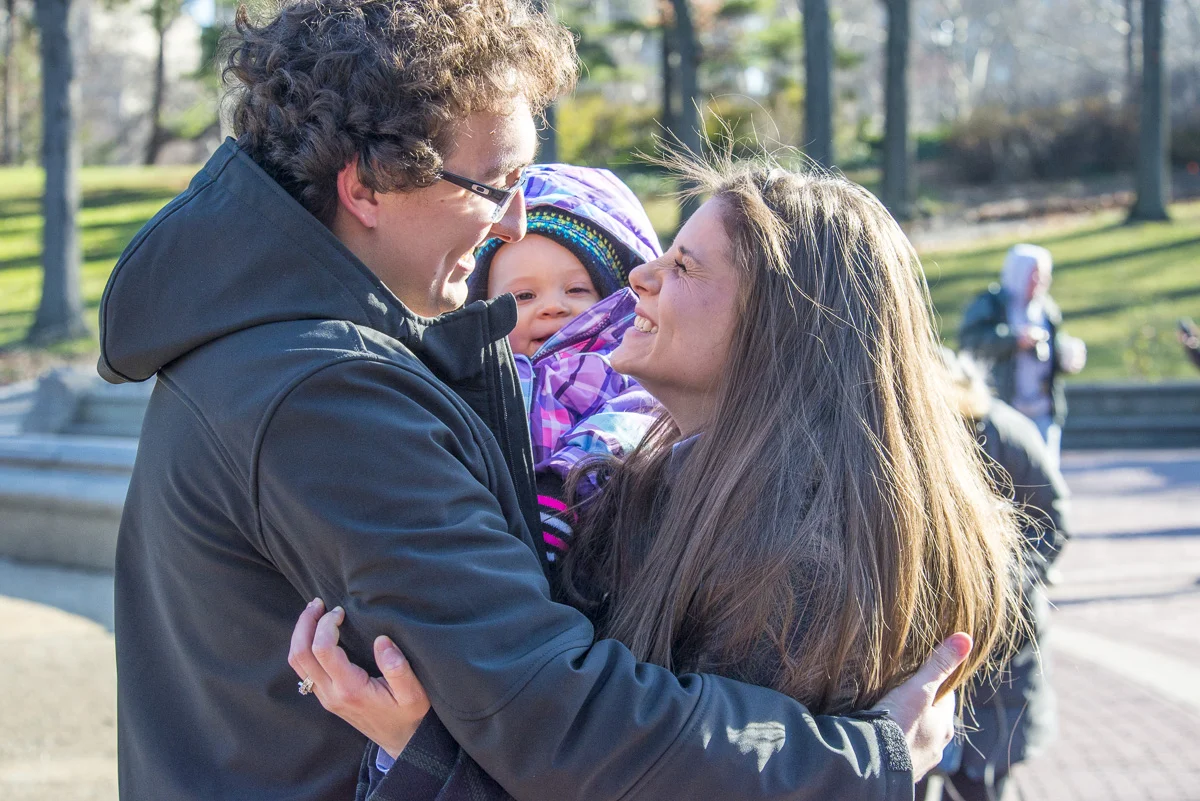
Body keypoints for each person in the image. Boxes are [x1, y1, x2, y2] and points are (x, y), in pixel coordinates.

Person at [97, 2, 964, 799]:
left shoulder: (273, 351)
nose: (516, 220)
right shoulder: (321, 393)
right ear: (365, 186)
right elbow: (556, 712)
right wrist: (865, 758)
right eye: (494, 182)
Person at [288, 160, 1025, 800]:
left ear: (781, 323)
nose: (639, 275)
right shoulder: (636, 492)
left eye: (683, 266)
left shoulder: (802, 553)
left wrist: (424, 748)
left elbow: (642, 779)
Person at [469, 164, 663, 560]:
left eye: (576, 289)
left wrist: (563, 488)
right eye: (523, 296)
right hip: (490, 544)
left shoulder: (619, 366)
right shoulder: (477, 372)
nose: (553, 307)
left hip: (591, 538)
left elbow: (634, 423)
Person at [918, 351, 1070, 801]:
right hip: (930, 633)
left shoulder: (1005, 432)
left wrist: (1001, 584)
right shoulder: (911, 433)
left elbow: (1052, 519)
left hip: (1002, 636)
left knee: (980, 782)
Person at [959, 244, 1086, 469]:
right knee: (1009, 478)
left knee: (1046, 478)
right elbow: (971, 342)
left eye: (1045, 275)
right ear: (1019, 273)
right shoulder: (992, 304)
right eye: (1035, 275)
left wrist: (1067, 356)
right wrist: (1014, 340)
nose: (1042, 282)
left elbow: (1054, 348)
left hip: (1043, 411)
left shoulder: (1046, 309)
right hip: (1004, 410)